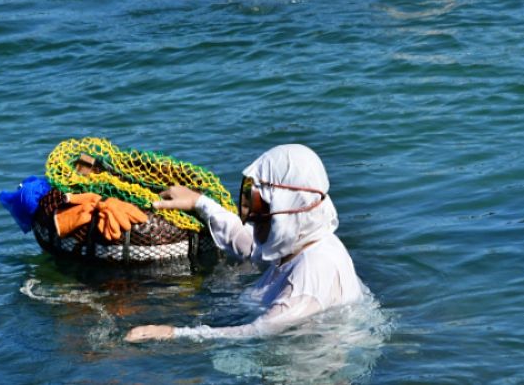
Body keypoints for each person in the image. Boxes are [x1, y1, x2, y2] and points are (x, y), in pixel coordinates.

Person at [125, 144, 367, 341]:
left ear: (288, 204)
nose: (250, 215)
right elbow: (251, 247)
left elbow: (261, 330)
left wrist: (173, 334)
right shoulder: (304, 243)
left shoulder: (314, 270)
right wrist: (200, 203)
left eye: (259, 204)